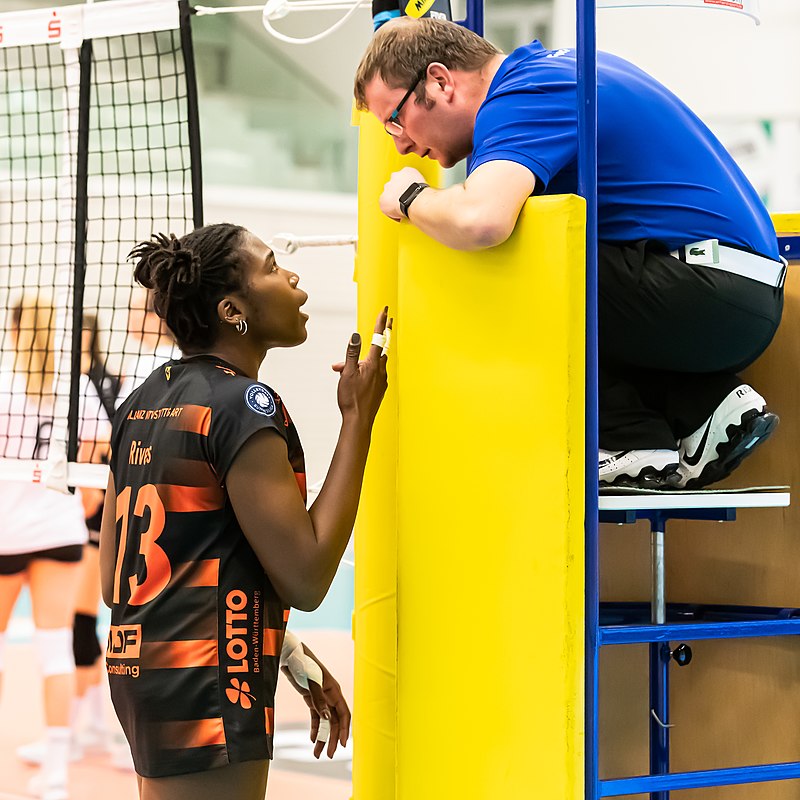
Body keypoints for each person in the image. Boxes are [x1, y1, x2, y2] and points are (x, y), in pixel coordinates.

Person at [354, 17, 784, 489]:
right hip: (730, 293)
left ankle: (631, 443)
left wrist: (412, 198)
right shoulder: (557, 73)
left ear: (439, 80)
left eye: (394, 119)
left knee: (506, 257)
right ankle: (706, 407)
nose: (400, 143)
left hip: (711, 293)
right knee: (542, 235)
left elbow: (482, 220)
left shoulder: (520, 99)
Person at [99, 223, 389, 800]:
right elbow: (306, 578)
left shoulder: (142, 401)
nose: (293, 277)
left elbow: (119, 576)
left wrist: (289, 654)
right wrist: (357, 418)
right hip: (209, 684)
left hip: (146, 672)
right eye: (273, 266)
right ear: (234, 310)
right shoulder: (242, 406)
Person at [0, 294, 111, 800]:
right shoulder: (75, 384)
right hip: (60, 527)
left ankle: (56, 760)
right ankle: (58, 769)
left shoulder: (4, 381)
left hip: (9, 530)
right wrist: (86, 495)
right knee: (55, 647)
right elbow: (99, 441)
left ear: (19, 329)